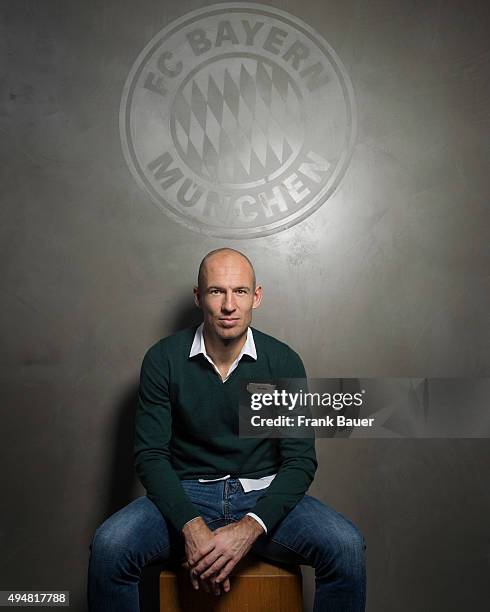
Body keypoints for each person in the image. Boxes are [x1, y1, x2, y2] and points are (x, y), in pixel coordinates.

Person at [87, 248, 366, 611]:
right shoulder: (164, 359)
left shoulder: (281, 360)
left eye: (240, 291)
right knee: (110, 547)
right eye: (217, 291)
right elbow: (151, 455)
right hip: (187, 493)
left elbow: (299, 461)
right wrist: (191, 526)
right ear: (198, 296)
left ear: (257, 296)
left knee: (345, 547)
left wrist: (250, 527)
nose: (229, 305)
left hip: (260, 495)